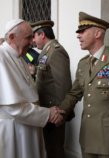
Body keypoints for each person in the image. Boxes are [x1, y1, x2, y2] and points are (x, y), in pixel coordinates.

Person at [57, 12, 109, 158]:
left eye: (82, 32)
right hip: (87, 137)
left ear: (97, 33)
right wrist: (61, 111)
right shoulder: (83, 63)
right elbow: (74, 93)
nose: (78, 36)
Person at [0, 19, 64, 158]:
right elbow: (13, 108)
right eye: (28, 38)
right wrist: (48, 114)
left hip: (29, 124)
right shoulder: (1, 57)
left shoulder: (19, 57)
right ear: (11, 37)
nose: (32, 42)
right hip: (14, 131)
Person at [28, 20, 72, 158]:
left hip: (54, 112)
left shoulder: (56, 52)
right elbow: (49, 77)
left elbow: (63, 86)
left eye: (33, 36)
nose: (33, 41)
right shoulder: (47, 51)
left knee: (55, 149)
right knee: (49, 147)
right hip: (47, 111)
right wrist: (35, 72)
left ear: (42, 34)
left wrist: (61, 114)